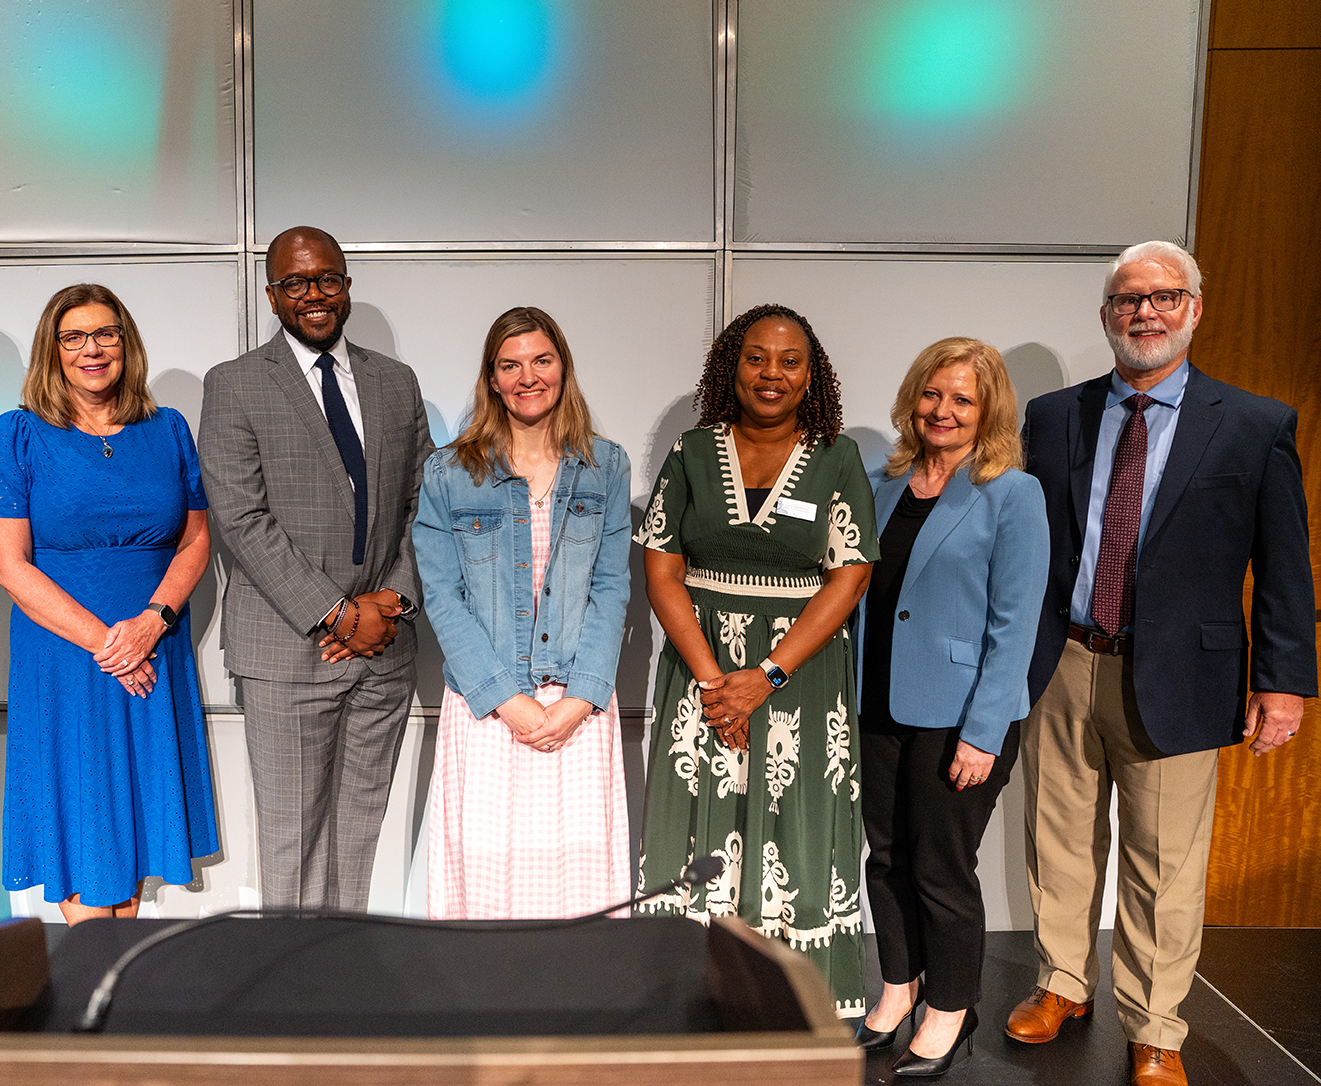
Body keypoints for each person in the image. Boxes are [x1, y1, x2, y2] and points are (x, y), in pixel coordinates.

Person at [1011, 241, 1315, 1086]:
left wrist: (1282, 681)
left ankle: (1154, 1026)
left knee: (1162, 862)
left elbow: (1283, 563)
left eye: (1162, 297)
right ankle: (1061, 983)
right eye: (1126, 300)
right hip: (1067, 658)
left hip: (1181, 673)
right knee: (1058, 841)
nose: (1143, 313)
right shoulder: (1052, 415)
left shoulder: (1254, 424)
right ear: (1105, 315)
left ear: (1194, 308)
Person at [634, 303, 877, 1017]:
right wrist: (716, 682)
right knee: (694, 816)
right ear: (730, 367)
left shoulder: (837, 457)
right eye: (756, 357)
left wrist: (765, 675)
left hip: (798, 679)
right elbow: (660, 567)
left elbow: (851, 572)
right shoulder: (689, 451)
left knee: (792, 822)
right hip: (700, 673)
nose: (771, 374)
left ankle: (794, 994)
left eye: (789, 360)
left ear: (812, 375)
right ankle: (692, 988)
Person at [199, 226, 432, 911]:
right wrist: (337, 613)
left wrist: (389, 602)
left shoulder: (395, 382)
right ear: (271, 294)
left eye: (326, 278)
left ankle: (342, 982)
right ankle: (290, 993)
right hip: (286, 650)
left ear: (347, 285)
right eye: (294, 283)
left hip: (384, 648)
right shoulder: (235, 384)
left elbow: (428, 502)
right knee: (291, 838)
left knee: (359, 838)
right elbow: (241, 519)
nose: (313, 294)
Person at [0, 283, 218, 924]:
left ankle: (113, 1001)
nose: (92, 349)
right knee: (85, 827)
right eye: (74, 337)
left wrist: (151, 622)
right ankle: (94, 999)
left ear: (126, 343)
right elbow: (7, 565)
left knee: (132, 827)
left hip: (152, 645)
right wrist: (108, 643)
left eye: (106, 334)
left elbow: (196, 540)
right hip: (66, 655)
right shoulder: (18, 434)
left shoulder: (168, 428)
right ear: (52, 351)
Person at [853, 338, 1049, 1076]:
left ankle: (950, 1008)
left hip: (958, 714)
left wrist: (983, 732)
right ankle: (899, 991)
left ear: (986, 409)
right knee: (888, 856)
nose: (942, 410)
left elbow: (1014, 623)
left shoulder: (1010, 492)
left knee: (940, 865)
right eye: (933, 394)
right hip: (877, 703)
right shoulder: (881, 483)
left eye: (962, 399)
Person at [414, 306, 632, 918]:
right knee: (484, 887)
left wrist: (578, 700)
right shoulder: (449, 473)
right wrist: (507, 700)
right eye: (510, 365)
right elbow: (443, 595)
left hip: (577, 708)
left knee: (579, 886)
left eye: (541, 360)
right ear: (491, 377)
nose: (526, 376)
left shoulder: (605, 466)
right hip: (487, 708)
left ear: (563, 368)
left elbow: (612, 588)